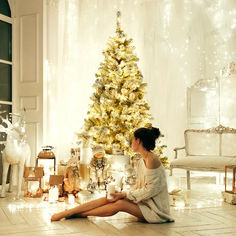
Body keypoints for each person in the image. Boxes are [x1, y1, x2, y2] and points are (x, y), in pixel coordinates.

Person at [51, 127, 174, 223]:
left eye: (132, 140)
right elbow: (140, 186)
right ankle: (71, 212)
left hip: (156, 211)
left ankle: (76, 214)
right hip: (145, 202)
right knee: (110, 197)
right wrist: (122, 194)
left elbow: (150, 190)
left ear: (138, 141)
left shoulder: (152, 160)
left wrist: (125, 195)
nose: (131, 143)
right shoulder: (142, 159)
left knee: (120, 204)